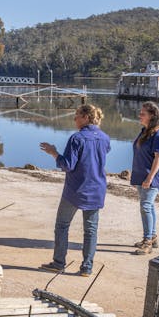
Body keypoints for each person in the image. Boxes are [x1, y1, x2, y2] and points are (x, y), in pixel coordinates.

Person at [39, 105, 111, 277]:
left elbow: (67, 165)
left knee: (62, 225)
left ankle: (58, 263)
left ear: (86, 117)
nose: (74, 119)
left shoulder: (77, 138)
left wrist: (54, 153)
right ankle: (86, 267)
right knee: (91, 229)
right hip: (96, 188)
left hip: (76, 189)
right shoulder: (105, 138)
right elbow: (104, 152)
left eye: (77, 115)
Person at [131, 101, 159, 255]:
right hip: (142, 174)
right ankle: (152, 237)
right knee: (149, 206)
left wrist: (149, 178)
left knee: (146, 206)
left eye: (143, 114)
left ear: (152, 116)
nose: (140, 115)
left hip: (152, 176)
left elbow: (158, 158)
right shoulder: (146, 131)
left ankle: (147, 241)